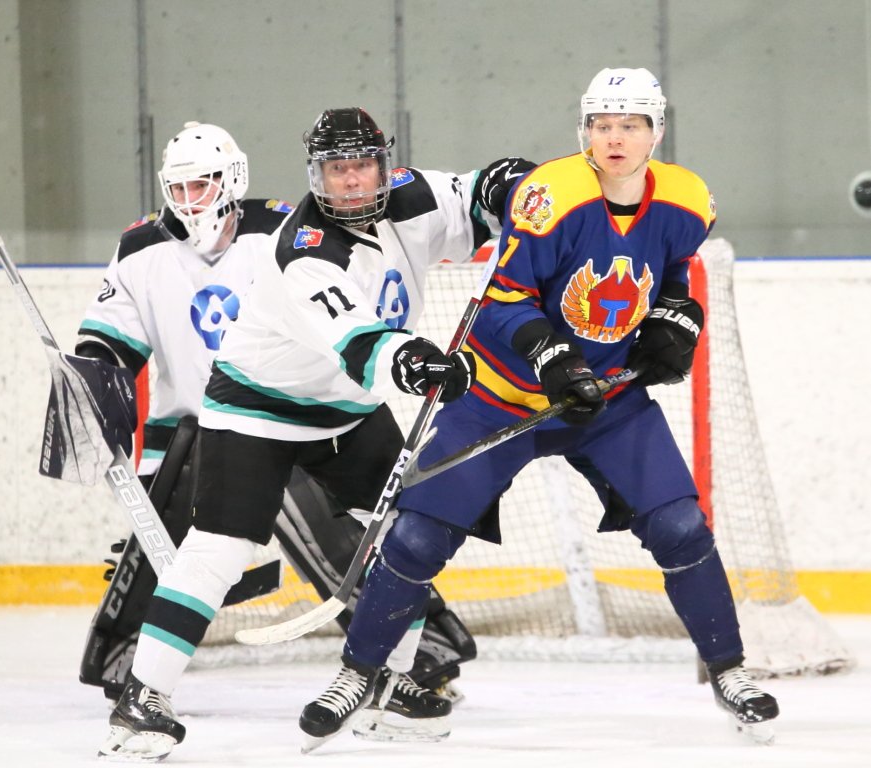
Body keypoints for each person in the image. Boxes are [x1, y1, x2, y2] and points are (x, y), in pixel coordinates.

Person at [300, 68, 780, 748]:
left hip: (607, 400)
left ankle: (729, 672)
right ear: (583, 131)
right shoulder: (550, 196)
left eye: (630, 125)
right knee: (416, 539)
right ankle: (358, 674)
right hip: (499, 397)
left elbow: (669, 274)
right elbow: (502, 300)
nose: (614, 138)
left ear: (656, 132)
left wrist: (677, 317)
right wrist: (553, 357)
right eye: (601, 125)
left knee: (680, 527)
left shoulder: (687, 199)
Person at [98, 107, 535, 761]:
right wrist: (416, 362)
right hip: (256, 409)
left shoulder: (413, 196)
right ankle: (142, 701)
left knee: (406, 537)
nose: (351, 181)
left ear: (383, 165)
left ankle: (392, 684)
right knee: (219, 548)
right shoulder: (303, 250)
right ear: (316, 175)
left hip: (347, 412)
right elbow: (361, 344)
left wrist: (528, 190)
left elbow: (483, 194)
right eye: (336, 170)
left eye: (361, 166)